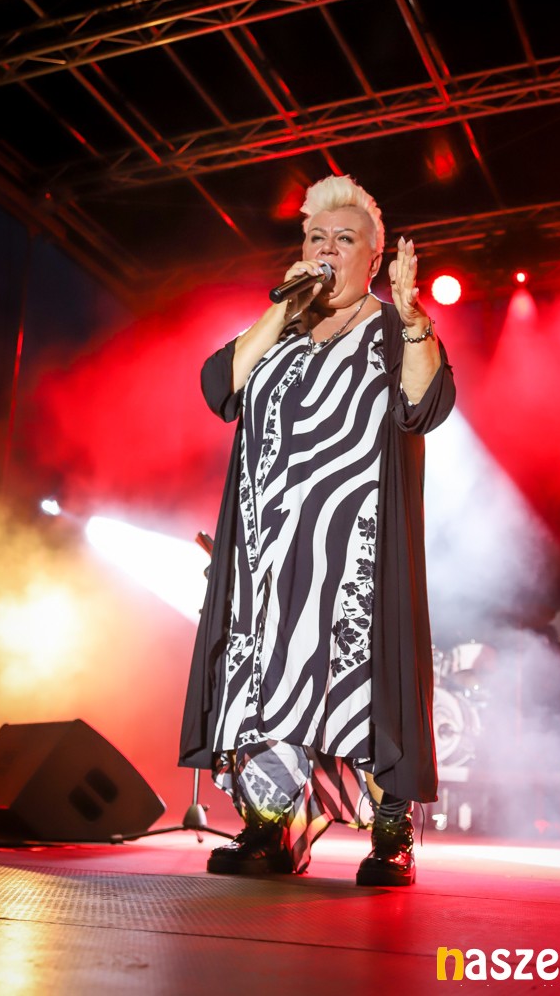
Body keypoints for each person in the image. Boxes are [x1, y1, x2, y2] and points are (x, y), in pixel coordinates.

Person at [179, 174, 455, 886]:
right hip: (270, 552)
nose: (326, 249)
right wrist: (281, 307)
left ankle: (390, 836)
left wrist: (415, 320)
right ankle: (270, 830)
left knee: (367, 679)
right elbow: (218, 387)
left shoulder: (393, 329)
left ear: (375, 256)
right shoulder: (280, 332)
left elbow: (424, 404)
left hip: (357, 551)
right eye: (314, 238)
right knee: (267, 676)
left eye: (344, 238)